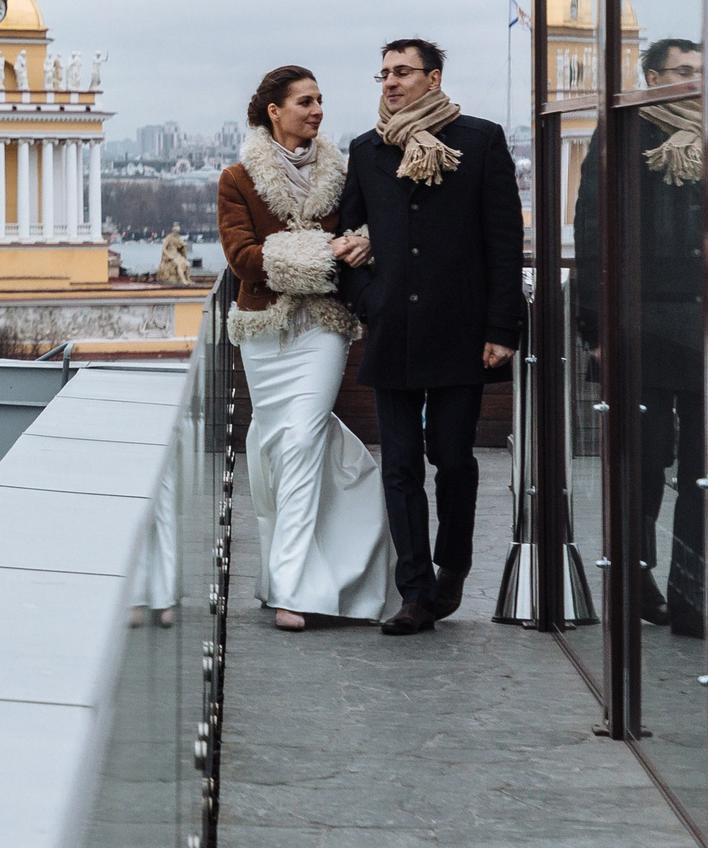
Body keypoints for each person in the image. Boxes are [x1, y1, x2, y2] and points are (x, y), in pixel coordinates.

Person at [333, 38, 524, 636]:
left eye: (403, 72)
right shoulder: (366, 150)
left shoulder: (481, 140)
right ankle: (414, 590)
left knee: (453, 460)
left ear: (434, 78)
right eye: (383, 73)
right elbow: (346, 239)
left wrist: (502, 326)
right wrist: (370, 300)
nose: (389, 82)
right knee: (399, 465)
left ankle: (454, 565)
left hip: (460, 328)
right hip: (394, 329)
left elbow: (503, 241)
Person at [218, 65, 396, 630]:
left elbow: (369, 233)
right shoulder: (237, 179)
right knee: (275, 447)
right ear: (274, 111)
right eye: (305, 101)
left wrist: (357, 246)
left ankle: (292, 590)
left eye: (320, 100)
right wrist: (324, 256)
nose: (317, 110)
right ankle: (285, 574)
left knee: (300, 438)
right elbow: (243, 258)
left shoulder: (344, 173)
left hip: (323, 325)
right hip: (266, 336)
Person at [571, 39, 708, 637]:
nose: (694, 81)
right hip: (644, 324)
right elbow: (593, 228)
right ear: (651, 78)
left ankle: (690, 593)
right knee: (646, 462)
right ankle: (637, 577)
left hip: (705, 322)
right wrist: (596, 329)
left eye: (701, 72)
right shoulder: (622, 135)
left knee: (706, 470)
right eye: (683, 72)